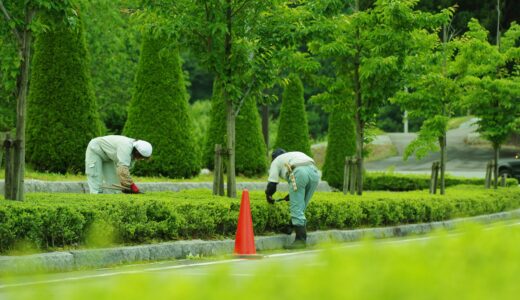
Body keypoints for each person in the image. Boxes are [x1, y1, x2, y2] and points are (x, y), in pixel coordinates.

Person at [265, 148, 320, 249]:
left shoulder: (276, 161)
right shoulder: (293, 155)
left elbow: (272, 184)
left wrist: (268, 195)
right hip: (315, 172)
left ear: (273, 158)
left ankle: (301, 240)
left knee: (296, 208)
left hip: (299, 172)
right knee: (301, 205)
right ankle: (290, 227)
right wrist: (292, 194)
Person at [85, 135, 152, 194]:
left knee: (114, 182)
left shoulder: (133, 151)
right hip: (95, 150)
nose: (141, 159)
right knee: (95, 177)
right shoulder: (126, 147)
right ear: (137, 152)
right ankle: (96, 195)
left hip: (108, 156)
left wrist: (126, 186)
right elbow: (122, 171)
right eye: (141, 157)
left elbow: (126, 171)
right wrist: (131, 185)